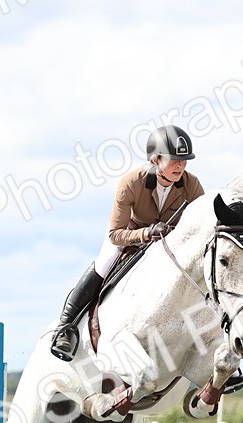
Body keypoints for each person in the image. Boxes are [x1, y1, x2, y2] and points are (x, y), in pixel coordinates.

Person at [49, 125, 206, 361]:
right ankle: (66, 328)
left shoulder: (192, 185)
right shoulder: (132, 182)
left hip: (169, 245)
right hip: (130, 238)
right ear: (155, 159)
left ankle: (217, 340)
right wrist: (146, 234)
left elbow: (201, 224)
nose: (181, 165)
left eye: (184, 160)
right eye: (174, 159)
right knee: (105, 262)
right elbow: (115, 234)